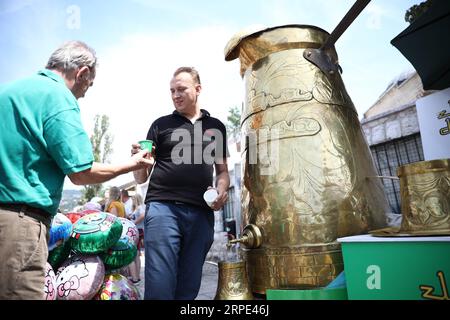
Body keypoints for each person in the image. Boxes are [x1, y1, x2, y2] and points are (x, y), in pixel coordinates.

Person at [0, 41, 152, 300]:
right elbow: (81, 172)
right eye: (88, 85)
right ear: (82, 73)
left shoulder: (11, 91)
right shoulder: (58, 96)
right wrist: (134, 163)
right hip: (19, 224)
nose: (84, 94)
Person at [132, 66, 230, 300]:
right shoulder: (160, 125)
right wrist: (137, 163)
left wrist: (221, 190)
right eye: (172, 91)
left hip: (200, 213)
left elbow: (223, 171)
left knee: (189, 286)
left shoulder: (216, 127)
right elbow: (142, 178)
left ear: (198, 89)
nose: (175, 95)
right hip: (163, 208)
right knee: (160, 285)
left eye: (181, 89)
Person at [126, 193, 146, 283]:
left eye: (133, 199)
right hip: (137, 231)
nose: (132, 201)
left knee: (136, 254)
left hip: (138, 231)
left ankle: (136, 277)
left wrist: (134, 222)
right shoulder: (136, 208)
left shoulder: (140, 206)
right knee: (137, 254)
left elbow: (143, 215)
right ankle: (137, 276)